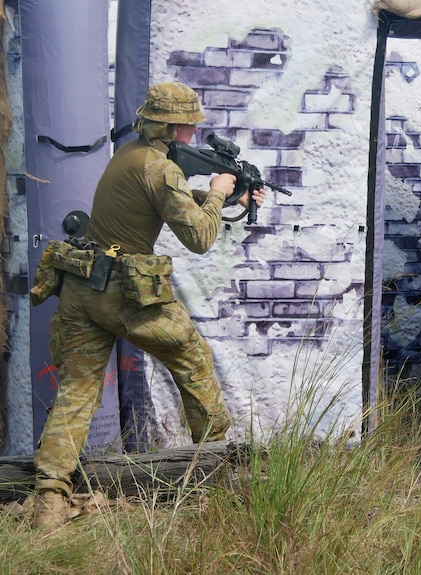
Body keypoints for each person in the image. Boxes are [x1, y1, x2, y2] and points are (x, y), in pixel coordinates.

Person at [29, 81, 264, 528]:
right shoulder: (163, 169)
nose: (195, 135)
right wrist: (216, 193)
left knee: (77, 392)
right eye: (190, 127)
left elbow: (157, 202)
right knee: (194, 362)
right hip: (129, 295)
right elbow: (198, 237)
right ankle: (216, 474)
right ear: (173, 128)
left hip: (83, 287)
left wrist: (229, 196)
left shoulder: (128, 155)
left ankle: (50, 501)